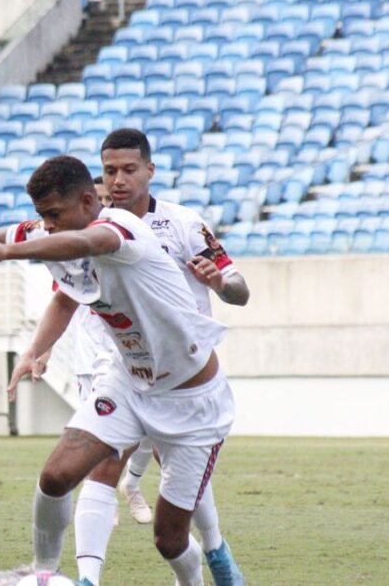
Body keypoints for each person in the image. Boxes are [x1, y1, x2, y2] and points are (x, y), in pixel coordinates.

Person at [0, 156, 235, 586]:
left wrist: (6, 254)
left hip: (192, 400)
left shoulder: (121, 228)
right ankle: (43, 573)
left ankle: (198, 579)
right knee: (56, 477)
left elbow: (88, 244)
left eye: (54, 215)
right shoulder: (53, 232)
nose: (47, 225)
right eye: (42, 216)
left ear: (84, 201)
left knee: (169, 539)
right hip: (129, 383)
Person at [65, 128, 247, 586]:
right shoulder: (91, 228)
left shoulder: (184, 224)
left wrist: (220, 283)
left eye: (129, 169)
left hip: (181, 375)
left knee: (177, 481)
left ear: (150, 170)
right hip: (118, 367)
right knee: (104, 463)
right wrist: (39, 349)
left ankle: (215, 548)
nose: (119, 179)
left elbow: (241, 290)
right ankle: (88, 578)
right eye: (110, 171)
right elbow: (66, 294)